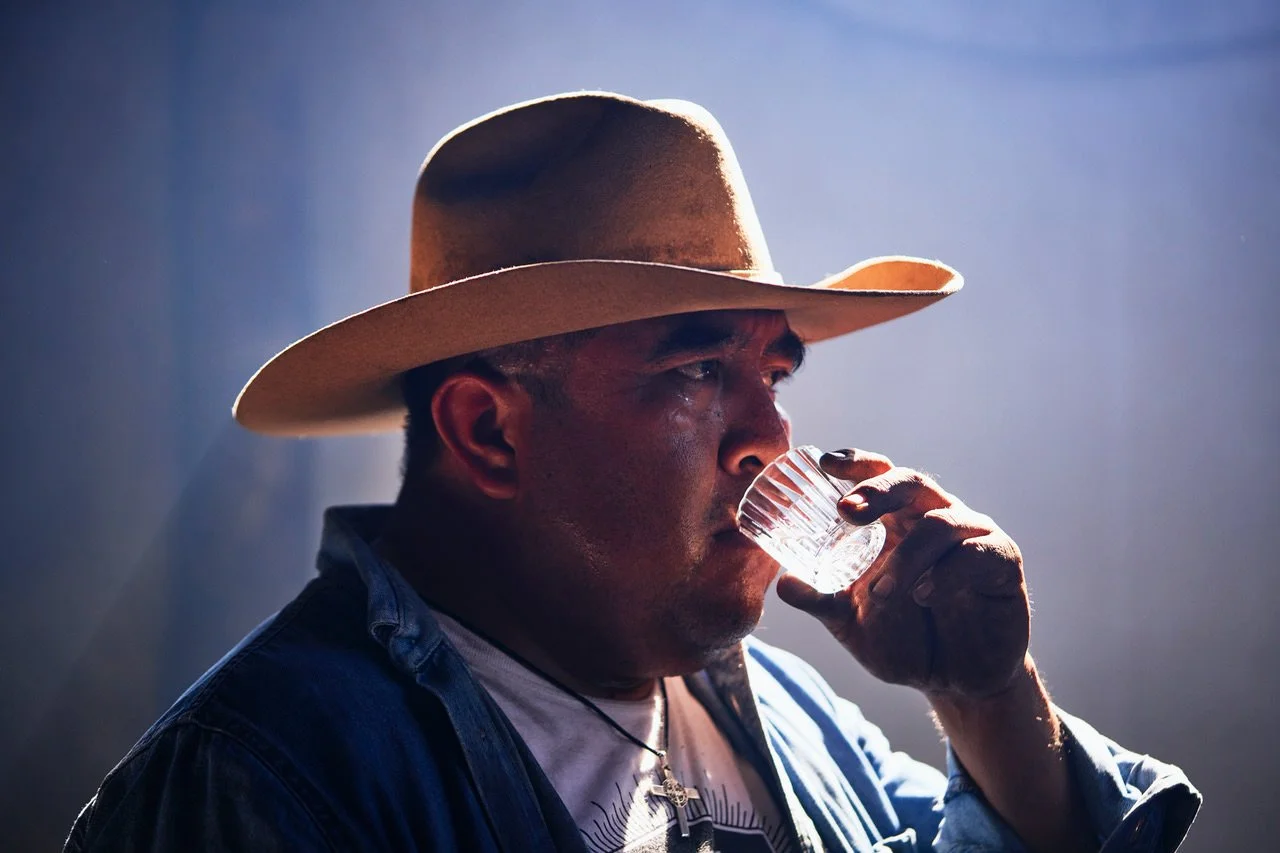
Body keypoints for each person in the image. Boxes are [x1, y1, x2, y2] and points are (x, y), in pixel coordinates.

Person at [65, 91, 1199, 852]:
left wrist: (985, 696)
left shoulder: (775, 707)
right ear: (487, 432)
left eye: (774, 370)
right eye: (699, 368)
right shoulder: (268, 774)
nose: (768, 431)